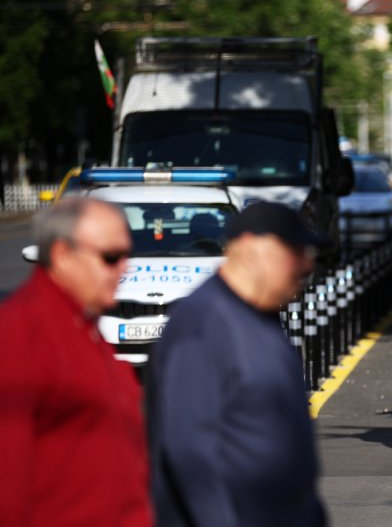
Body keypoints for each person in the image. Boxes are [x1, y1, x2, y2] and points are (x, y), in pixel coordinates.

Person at [148, 202, 327, 527]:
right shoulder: (203, 323)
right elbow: (190, 452)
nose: (307, 263)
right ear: (251, 247)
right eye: (295, 249)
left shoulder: (261, 316)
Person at [0, 198, 152, 526]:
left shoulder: (86, 328)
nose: (125, 268)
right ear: (62, 255)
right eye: (110, 257)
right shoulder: (19, 334)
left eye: (128, 255)